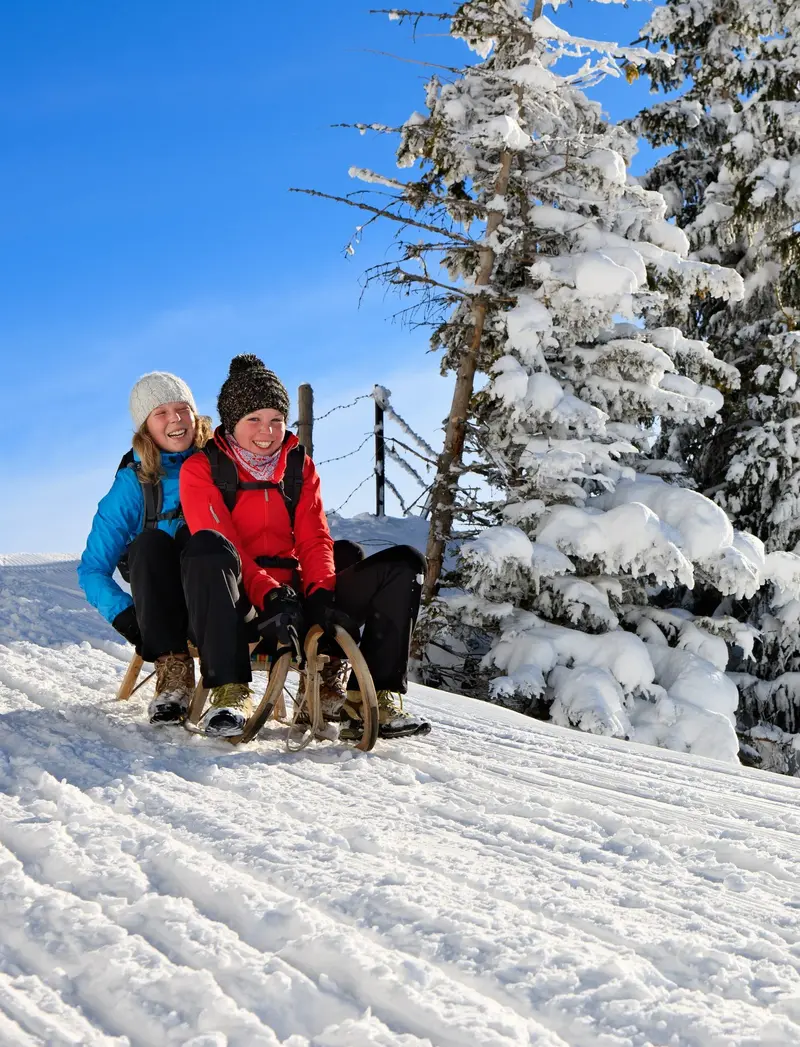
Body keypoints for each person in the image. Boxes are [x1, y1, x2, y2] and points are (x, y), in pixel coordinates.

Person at [179, 353, 431, 740]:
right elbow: (226, 545)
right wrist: (270, 594)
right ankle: (229, 692)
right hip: (237, 603)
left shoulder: (298, 466)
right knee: (208, 549)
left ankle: (370, 699)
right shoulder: (202, 469)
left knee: (403, 564)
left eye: (276, 420)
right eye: (254, 420)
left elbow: (314, 537)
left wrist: (319, 594)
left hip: (294, 600)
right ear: (231, 422)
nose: (267, 431)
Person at [78, 372, 212, 724]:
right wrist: (129, 619)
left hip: (219, 601)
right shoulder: (133, 484)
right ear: (145, 427)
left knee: (201, 540)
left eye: (182, 409)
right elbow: (92, 568)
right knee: (151, 544)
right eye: (161, 413)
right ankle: (173, 674)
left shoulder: (221, 464)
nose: (175, 420)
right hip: (164, 609)